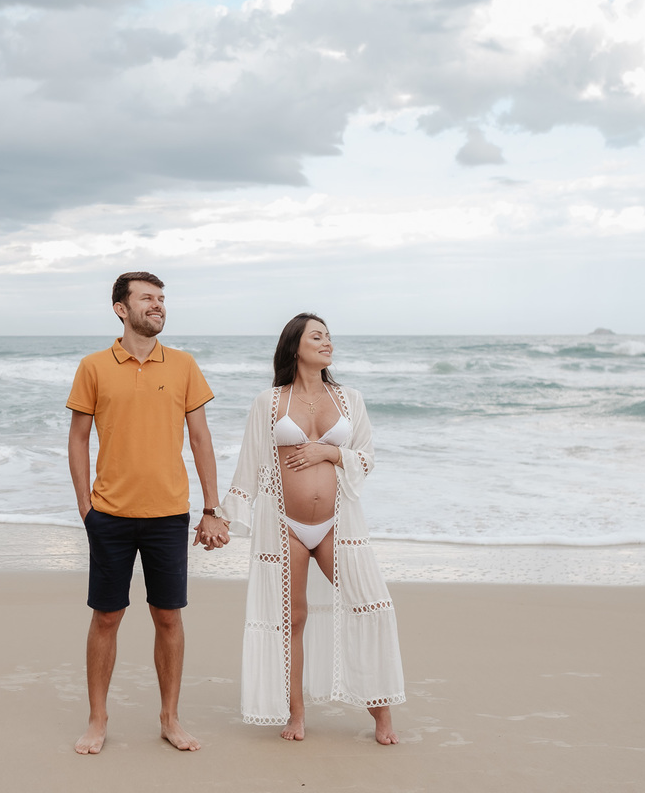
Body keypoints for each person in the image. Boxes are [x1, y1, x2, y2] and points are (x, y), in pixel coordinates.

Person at [217, 313, 405, 744]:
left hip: (338, 522)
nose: (327, 343)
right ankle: (296, 715)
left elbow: (366, 457)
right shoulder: (269, 402)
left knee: (370, 605)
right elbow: (249, 466)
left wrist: (329, 453)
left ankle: (382, 715)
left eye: (329, 337)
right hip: (282, 523)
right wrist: (222, 517)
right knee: (292, 620)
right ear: (295, 346)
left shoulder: (349, 399)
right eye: (317, 336)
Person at [66, 271, 229, 755]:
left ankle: (169, 718)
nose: (157, 306)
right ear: (121, 308)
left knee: (168, 617)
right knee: (106, 617)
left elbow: (201, 439)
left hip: (168, 515)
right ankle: (97, 720)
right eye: (146, 299)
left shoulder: (182, 365)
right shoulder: (94, 366)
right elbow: (77, 438)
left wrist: (212, 508)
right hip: (110, 515)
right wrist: (85, 505)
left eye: (161, 299)